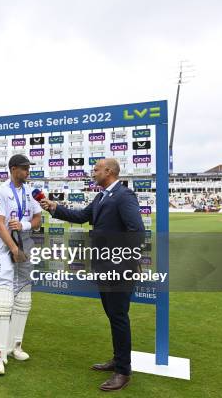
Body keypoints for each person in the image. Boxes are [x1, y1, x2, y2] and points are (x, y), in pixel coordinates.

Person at [40, 158, 144, 391]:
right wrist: (54, 208)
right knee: (113, 315)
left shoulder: (124, 195)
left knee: (118, 317)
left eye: (96, 169)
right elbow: (81, 216)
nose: (92, 172)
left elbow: (137, 231)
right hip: (103, 268)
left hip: (118, 269)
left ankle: (123, 372)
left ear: (109, 171)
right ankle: (118, 360)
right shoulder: (101, 196)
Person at [0, 154, 42, 375]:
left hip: (26, 249)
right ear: (13, 169)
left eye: (29, 168)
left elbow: (38, 221)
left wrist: (25, 224)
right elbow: (0, 225)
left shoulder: (32, 192)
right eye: (25, 168)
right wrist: (14, 249)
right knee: (2, 300)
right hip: (5, 251)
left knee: (24, 298)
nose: (28, 171)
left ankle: (15, 346)